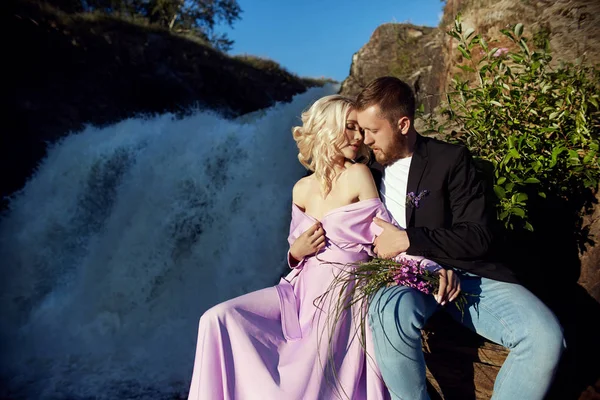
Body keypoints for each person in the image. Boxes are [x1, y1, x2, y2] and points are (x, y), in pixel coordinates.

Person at [355, 76, 565, 400]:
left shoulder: (448, 159)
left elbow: (478, 235)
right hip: (405, 280)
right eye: (361, 130)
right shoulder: (364, 171)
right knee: (386, 313)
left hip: (469, 278)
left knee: (545, 337)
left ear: (403, 124)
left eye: (373, 130)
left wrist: (410, 239)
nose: (365, 139)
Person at [188, 94, 402, 399]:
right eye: (350, 127)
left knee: (304, 380)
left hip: (341, 291)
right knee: (217, 318)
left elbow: (384, 232)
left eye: (360, 129)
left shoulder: (358, 174)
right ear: (327, 128)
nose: (359, 137)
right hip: (297, 292)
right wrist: (295, 252)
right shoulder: (301, 188)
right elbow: (296, 251)